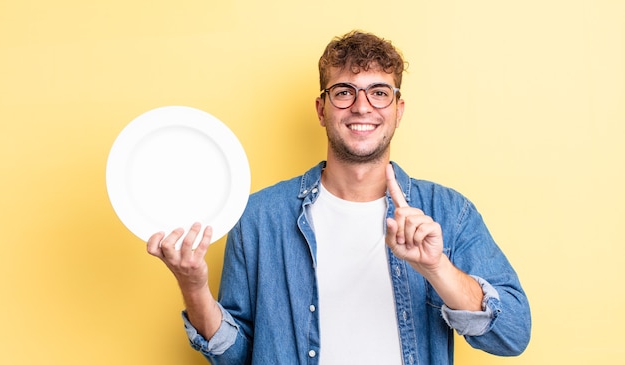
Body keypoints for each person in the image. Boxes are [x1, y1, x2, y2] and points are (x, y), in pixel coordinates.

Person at [146, 30, 531, 364]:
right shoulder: (259, 218)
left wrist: (437, 268)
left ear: (398, 111)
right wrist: (194, 289)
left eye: (379, 92)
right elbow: (235, 355)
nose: (362, 106)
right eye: (344, 92)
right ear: (321, 109)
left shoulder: (449, 212)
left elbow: (513, 335)